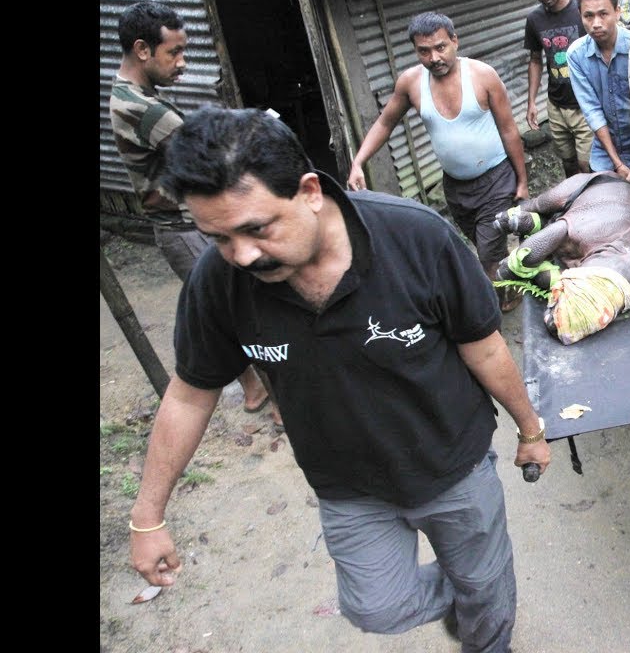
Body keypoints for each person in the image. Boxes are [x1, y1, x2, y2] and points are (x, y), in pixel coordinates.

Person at [128, 107, 552, 653]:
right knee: (380, 607)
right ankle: (471, 591)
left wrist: (530, 430)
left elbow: (484, 347)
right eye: (219, 238)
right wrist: (147, 515)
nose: (243, 255)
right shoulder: (219, 283)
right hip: (348, 487)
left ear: (308, 190)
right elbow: (189, 396)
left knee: (486, 599)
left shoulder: (416, 238)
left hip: (453, 468)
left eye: (256, 229)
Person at [109, 0, 277, 424]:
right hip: (185, 228)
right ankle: (274, 397)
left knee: (226, 308)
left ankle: (256, 392)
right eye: (175, 53)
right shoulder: (141, 108)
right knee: (245, 310)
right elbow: (211, 153)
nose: (182, 63)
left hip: (185, 227)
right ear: (143, 49)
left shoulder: (137, 97)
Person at [347, 12, 528, 313]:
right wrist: (358, 162)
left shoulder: (483, 76)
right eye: (424, 51)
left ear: (455, 41)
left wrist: (521, 180)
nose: (434, 57)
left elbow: (509, 129)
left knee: (487, 253)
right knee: (481, 245)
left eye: (441, 47)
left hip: (496, 178)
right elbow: (384, 123)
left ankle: (490, 314)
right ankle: (507, 282)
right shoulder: (411, 83)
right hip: (455, 187)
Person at [524, 0, 594, 178]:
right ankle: (574, 207)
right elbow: (535, 60)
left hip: (584, 104)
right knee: (568, 163)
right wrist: (531, 101)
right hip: (555, 104)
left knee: (588, 165)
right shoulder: (534, 20)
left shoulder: (582, 12)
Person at [566, 0, 630, 181]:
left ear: (617, 11)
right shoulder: (576, 55)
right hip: (605, 154)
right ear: (580, 15)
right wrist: (618, 164)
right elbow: (592, 111)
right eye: (588, 16)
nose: (596, 23)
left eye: (603, 14)